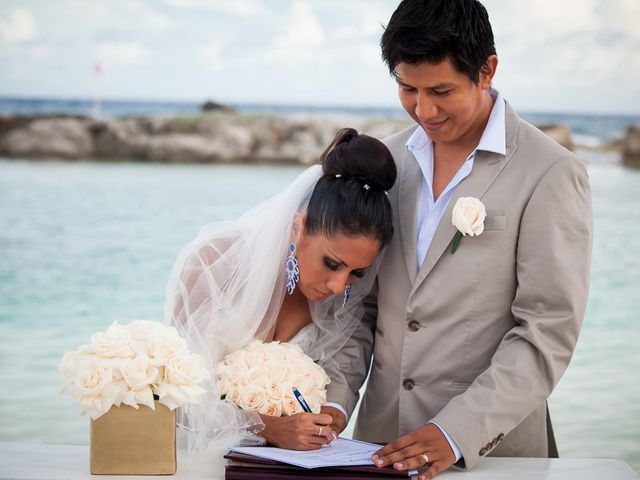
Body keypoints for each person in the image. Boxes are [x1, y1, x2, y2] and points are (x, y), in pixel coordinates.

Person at [320, 1, 593, 479]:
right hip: (374, 448)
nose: (424, 109)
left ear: (486, 70)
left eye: (441, 90)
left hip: (491, 456)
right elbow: (359, 307)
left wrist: (455, 433)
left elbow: (546, 331)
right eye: (407, 89)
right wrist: (334, 408)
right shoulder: (386, 161)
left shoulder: (552, 172)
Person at [163, 128, 397, 454]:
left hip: (295, 464)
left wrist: (329, 417)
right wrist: (266, 428)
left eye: (356, 272)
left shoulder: (339, 298)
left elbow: (345, 363)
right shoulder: (212, 266)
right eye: (331, 263)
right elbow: (179, 398)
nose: (338, 286)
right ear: (298, 227)